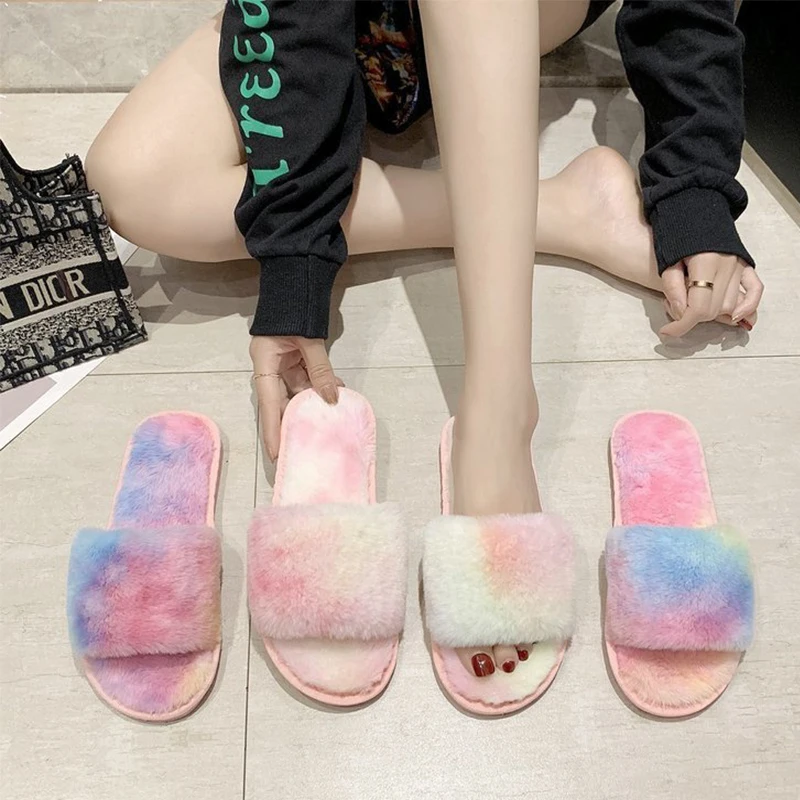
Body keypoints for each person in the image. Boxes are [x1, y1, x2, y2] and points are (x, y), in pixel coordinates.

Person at [85, 0, 763, 679]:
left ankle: (499, 416)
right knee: (135, 182)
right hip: (349, 24)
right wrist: (294, 259)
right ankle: (561, 211)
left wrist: (694, 188)